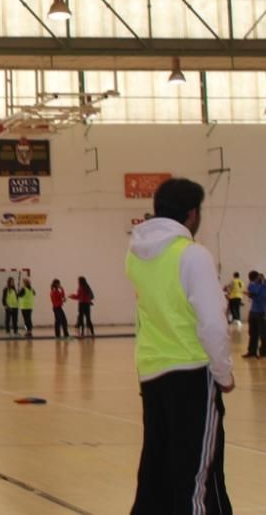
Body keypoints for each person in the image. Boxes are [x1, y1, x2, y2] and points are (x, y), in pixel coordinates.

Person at [126, 178, 234, 513]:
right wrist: (223, 372)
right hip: (191, 372)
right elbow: (213, 322)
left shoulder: (136, 255)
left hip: (152, 373)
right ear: (191, 214)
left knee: (156, 473)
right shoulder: (192, 255)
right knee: (196, 475)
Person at [243, 271, 266, 358]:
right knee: (252, 333)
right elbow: (252, 290)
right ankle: (252, 352)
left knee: (263, 334)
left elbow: (257, 293)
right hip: (253, 312)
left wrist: (261, 284)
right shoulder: (253, 285)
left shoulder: (263, 286)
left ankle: (263, 352)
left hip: (262, 312)